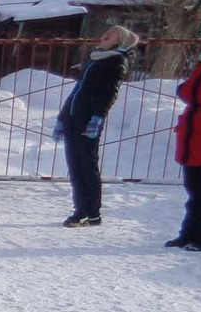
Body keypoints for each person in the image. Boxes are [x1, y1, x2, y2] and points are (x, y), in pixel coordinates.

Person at [54, 24, 139, 227]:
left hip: (88, 120)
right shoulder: (97, 59)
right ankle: (80, 209)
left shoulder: (117, 61)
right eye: (106, 31)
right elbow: (77, 91)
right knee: (75, 166)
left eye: (112, 33)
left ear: (121, 41)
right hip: (74, 118)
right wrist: (62, 117)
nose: (106, 34)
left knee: (86, 166)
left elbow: (109, 92)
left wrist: (97, 117)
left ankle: (91, 213)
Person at [169, 12, 201, 251]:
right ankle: (189, 234)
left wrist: (193, 94)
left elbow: (197, 94)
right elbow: (190, 91)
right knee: (195, 191)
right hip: (195, 136)